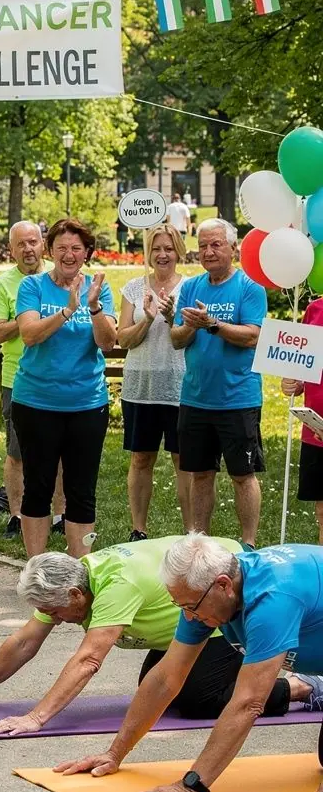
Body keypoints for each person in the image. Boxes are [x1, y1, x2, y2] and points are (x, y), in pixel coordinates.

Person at [56, 534, 323, 792]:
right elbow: (165, 678)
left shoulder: (272, 600)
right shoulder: (205, 595)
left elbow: (248, 703)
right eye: (181, 606)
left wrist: (192, 785)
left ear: (223, 585)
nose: (189, 616)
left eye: (191, 607)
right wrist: (114, 754)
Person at [0, 536, 299, 734]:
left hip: (219, 598)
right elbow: (24, 642)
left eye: (56, 613)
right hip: (188, 613)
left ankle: (303, 687)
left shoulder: (116, 586)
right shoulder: (69, 576)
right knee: (158, 688)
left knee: (201, 699)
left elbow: (88, 660)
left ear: (75, 595)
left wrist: (36, 717)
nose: (56, 620)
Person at [11, 218, 116, 559]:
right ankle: (37, 569)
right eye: (61, 248)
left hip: (87, 404)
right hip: (36, 403)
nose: (68, 255)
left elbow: (107, 341)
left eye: (76, 248)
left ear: (87, 252)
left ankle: (78, 569)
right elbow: (29, 334)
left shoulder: (100, 289)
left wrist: (94, 306)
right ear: (49, 250)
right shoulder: (33, 287)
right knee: (38, 488)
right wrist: (68, 310)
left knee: (81, 492)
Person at [166, 217, 266, 548]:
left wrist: (212, 324)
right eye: (203, 246)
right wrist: (189, 324)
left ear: (233, 249)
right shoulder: (192, 287)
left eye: (216, 244)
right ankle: (199, 544)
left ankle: (248, 544)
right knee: (200, 474)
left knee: (243, 475)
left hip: (238, 399)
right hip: (195, 398)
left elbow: (252, 336)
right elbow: (178, 339)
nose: (208, 252)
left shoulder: (249, 288)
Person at [0, 222, 64, 542]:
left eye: (33, 242)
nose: (28, 249)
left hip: (59, 374)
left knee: (61, 452)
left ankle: (61, 514)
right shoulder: (3, 284)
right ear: (11, 249)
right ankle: (16, 515)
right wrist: (26, 320)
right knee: (17, 452)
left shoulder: (57, 276)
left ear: (43, 245)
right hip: (17, 379)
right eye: (21, 244)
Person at [118, 222, 191, 540]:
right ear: (148, 252)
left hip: (179, 387)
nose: (163, 254)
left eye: (168, 248)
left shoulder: (190, 288)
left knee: (183, 461)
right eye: (156, 249)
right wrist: (147, 318)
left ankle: (191, 532)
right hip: (140, 387)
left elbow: (183, 341)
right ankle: (139, 529)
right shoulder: (134, 289)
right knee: (141, 457)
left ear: (178, 251)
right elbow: (123, 340)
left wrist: (174, 318)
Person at [281, 297, 323, 543]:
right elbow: (304, 365)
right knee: (322, 509)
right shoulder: (315, 309)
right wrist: (295, 383)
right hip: (316, 428)